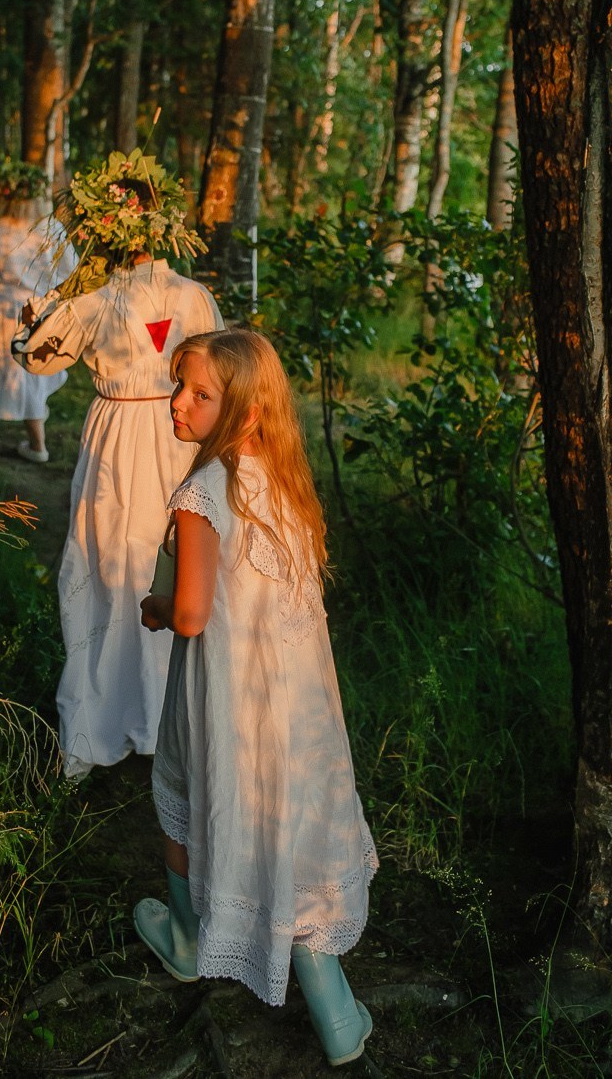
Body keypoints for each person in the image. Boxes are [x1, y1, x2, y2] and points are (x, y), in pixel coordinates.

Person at [135, 327, 377, 1068]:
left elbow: (192, 615)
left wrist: (155, 606)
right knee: (288, 821)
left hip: (225, 696)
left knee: (181, 790)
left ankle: (184, 938)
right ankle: (334, 1010)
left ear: (242, 412)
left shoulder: (201, 493)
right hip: (296, 703)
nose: (179, 403)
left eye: (200, 395)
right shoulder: (281, 476)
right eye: (180, 385)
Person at [11, 157, 222, 775]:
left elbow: (36, 359)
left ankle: (108, 718)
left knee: (109, 568)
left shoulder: (96, 297)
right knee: (179, 562)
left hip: (120, 442)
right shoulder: (195, 295)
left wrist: (44, 312)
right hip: (186, 435)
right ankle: (166, 718)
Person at [0, 164, 78, 463]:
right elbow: (70, 269)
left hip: (9, 310)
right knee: (36, 370)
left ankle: (37, 445)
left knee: (21, 373)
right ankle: (36, 437)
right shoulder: (51, 227)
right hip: (45, 307)